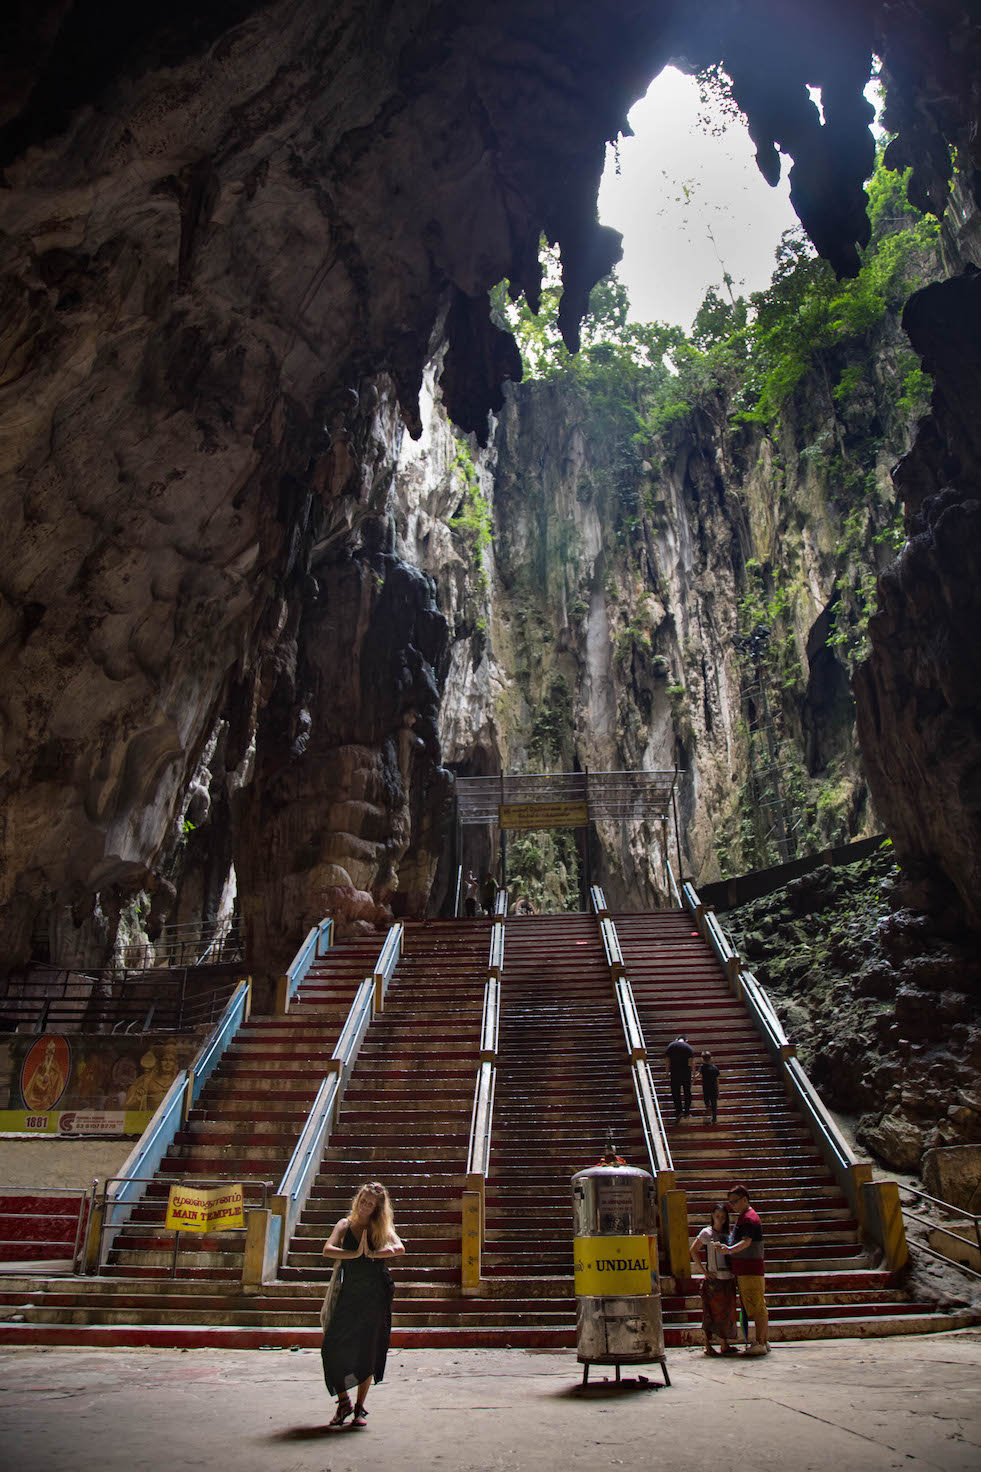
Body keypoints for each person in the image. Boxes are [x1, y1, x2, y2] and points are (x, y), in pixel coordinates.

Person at [321, 1182, 405, 1426]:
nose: (366, 1206)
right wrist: (354, 1254)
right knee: (331, 1347)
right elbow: (327, 1250)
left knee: (368, 1349)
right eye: (363, 1201)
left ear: (378, 1208)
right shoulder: (345, 1224)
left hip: (376, 1292)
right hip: (350, 1292)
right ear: (358, 1199)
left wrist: (374, 1255)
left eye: (371, 1204)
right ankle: (344, 1402)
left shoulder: (381, 1226)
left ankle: (359, 1408)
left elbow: (400, 1248)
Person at [726, 1183, 769, 1355]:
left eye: (735, 1201)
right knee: (757, 1305)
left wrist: (728, 1250)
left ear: (745, 1199)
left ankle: (760, 1341)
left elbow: (746, 1242)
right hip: (746, 1268)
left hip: (749, 1269)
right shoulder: (745, 1216)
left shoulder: (749, 1218)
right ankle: (763, 1340)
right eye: (731, 1203)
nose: (733, 1206)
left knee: (756, 1306)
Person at [690, 1204, 739, 1355]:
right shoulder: (707, 1233)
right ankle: (707, 1344)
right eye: (717, 1216)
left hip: (728, 1277)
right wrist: (703, 1271)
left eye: (723, 1217)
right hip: (714, 1278)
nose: (720, 1220)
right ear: (712, 1216)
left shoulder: (728, 1234)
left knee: (727, 1312)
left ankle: (724, 1343)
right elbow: (693, 1250)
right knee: (710, 1311)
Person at [665, 1034, 694, 1122]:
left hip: (675, 1071)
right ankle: (687, 1112)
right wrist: (693, 1073)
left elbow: (667, 1060)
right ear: (686, 1040)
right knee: (687, 1092)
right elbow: (691, 1062)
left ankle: (678, 1111)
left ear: (677, 1039)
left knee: (675, 1092)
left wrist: (667, 1072)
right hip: (686, 1072)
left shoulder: (671, 1046)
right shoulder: (688, 1047)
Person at [699, 1050, 721, 1125]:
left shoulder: (702, 1067)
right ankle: (714, 1119)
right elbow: (717, 1079)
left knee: (706, 1100)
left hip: (706, 1087)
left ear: (702, 1059)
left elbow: (699, 1075)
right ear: (711, 1058)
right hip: (714, 1087)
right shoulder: (715, 1068)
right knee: (714, 1103)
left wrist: (692, 1079)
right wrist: (718, 1090)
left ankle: (708, 1108)